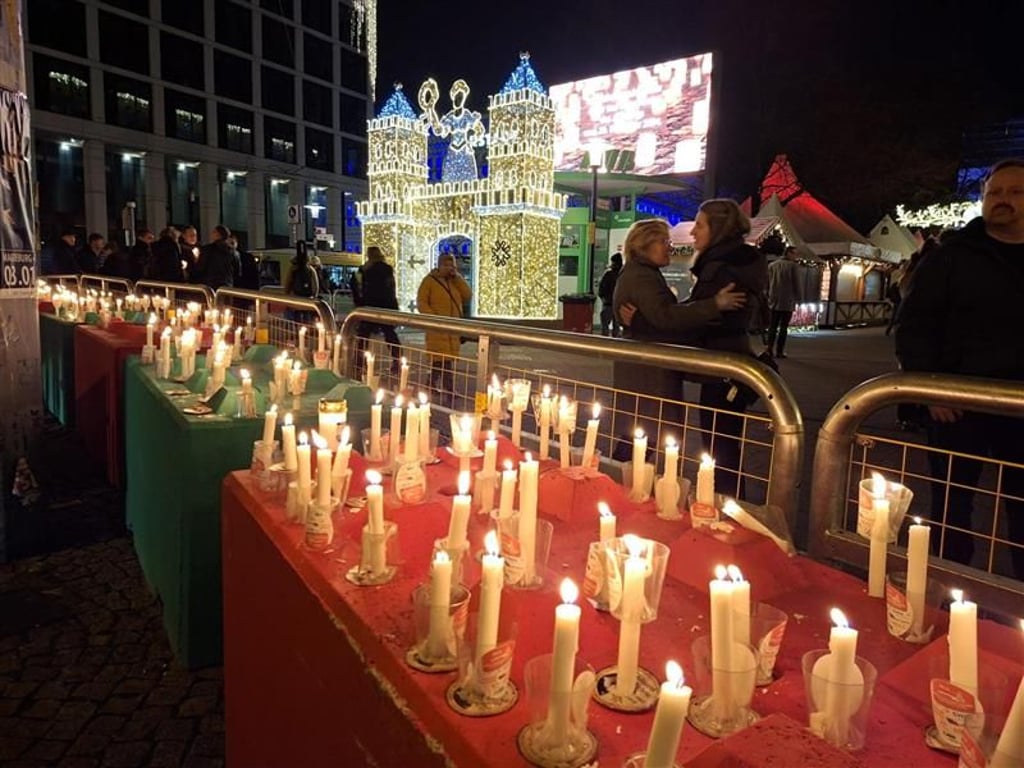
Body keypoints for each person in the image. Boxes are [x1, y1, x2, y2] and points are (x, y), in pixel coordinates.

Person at [895, 158, 1024, 579]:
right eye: (994, 193)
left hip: (1019, 407)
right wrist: (930, 387)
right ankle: (951, 595)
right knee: (952, 507)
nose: (1002, 200)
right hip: (957, 404)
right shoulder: (951, 257)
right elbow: (915, 324)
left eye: (1015, 192)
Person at [612, 218, 746, 460]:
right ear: (644, 245)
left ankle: (614, 484)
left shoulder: (639, 273)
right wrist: (714, 304)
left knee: (639, 438)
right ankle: (612, 486)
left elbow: (659, 315)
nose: (669, 247)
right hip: (648, 372)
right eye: (664, 241)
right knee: (642, 439)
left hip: (644, 370)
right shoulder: (642, 277)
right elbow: (666, 317)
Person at [417, 252, 472, 399]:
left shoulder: (455, 281)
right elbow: (421, 302)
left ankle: (430, 386)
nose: (449, 268)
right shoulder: (429, 281)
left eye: (452, 265)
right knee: (443, 361)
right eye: (446, 265)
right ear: (439, 265)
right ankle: (449, 390)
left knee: (442, 361)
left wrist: (458, 278)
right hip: (437, 329)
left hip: (452, 328)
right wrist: (434, 319)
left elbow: (467, 295)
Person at [354, 246, 403, 376]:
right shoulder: (387, 269)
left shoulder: (364, 270)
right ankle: (397, 361)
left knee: (363, 336)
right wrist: (394, 307)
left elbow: (356, 286)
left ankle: (359, 362)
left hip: (368, 306)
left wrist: (359, 303)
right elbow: (390, 289)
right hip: (385, 307)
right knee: (390, 334)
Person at [765, 245, 802, 357]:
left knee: (772, 326)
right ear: (789, 253)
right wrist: (799, 298)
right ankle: (779, 351)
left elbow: (767, 282)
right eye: (795, 254)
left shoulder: (772, 265)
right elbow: (797, 283)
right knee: (783, 327)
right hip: (787, 300)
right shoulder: (793, 266)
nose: (796, 256)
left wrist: (768, 295)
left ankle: (769, 348)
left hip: (773, 300)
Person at [191, 225, 238, 290]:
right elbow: (237, 271)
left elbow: (200, 268)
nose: (211, 234)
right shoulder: (234, 252)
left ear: (217, 234)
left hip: (210, 285)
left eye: (213, 232)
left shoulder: (207, 249)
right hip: (227, 286)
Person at [597, 250, 623, 337]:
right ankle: (615, 345)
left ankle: (605, 344)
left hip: (608, 304)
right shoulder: (623, 274)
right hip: (619, 305)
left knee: (605, 326)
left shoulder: (608, 274)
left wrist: (603, 298)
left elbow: (601, 289)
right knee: (617, 327)